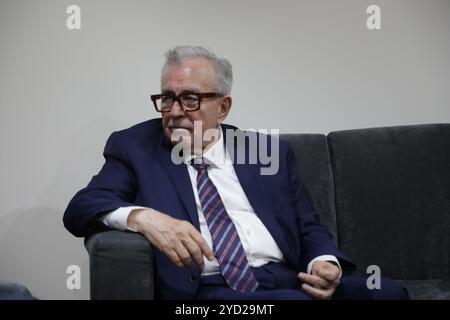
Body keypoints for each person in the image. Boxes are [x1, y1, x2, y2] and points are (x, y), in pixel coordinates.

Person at [63, 46, 408, 300]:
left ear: (223, 107)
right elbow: (81, 208)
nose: (175, 111)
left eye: (191, 99)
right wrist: (144, 217)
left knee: (390, 294)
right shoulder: (136, 147)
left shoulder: (266, 153)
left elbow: (307, 225)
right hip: (210, 289)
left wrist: (323, 261)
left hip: (286, 278)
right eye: (167, 98)